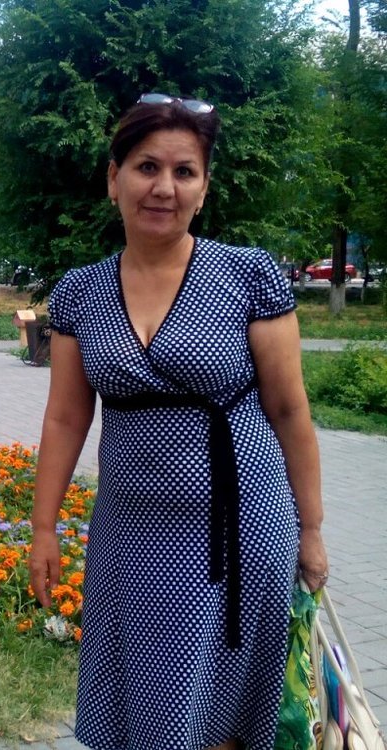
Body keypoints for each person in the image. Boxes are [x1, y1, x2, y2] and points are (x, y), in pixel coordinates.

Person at [28, 93, 328, 750]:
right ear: (114, 179)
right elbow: (66, 418)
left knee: (224, 716)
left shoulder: (247, 276)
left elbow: (289, 409)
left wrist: (310, 530)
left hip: (240, 529)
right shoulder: (80, 291)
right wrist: (43, 528)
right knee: (145, 708)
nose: (164, 187)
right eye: (146, 167)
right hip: (130, 535)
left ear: (203, 187)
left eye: (184, 171)